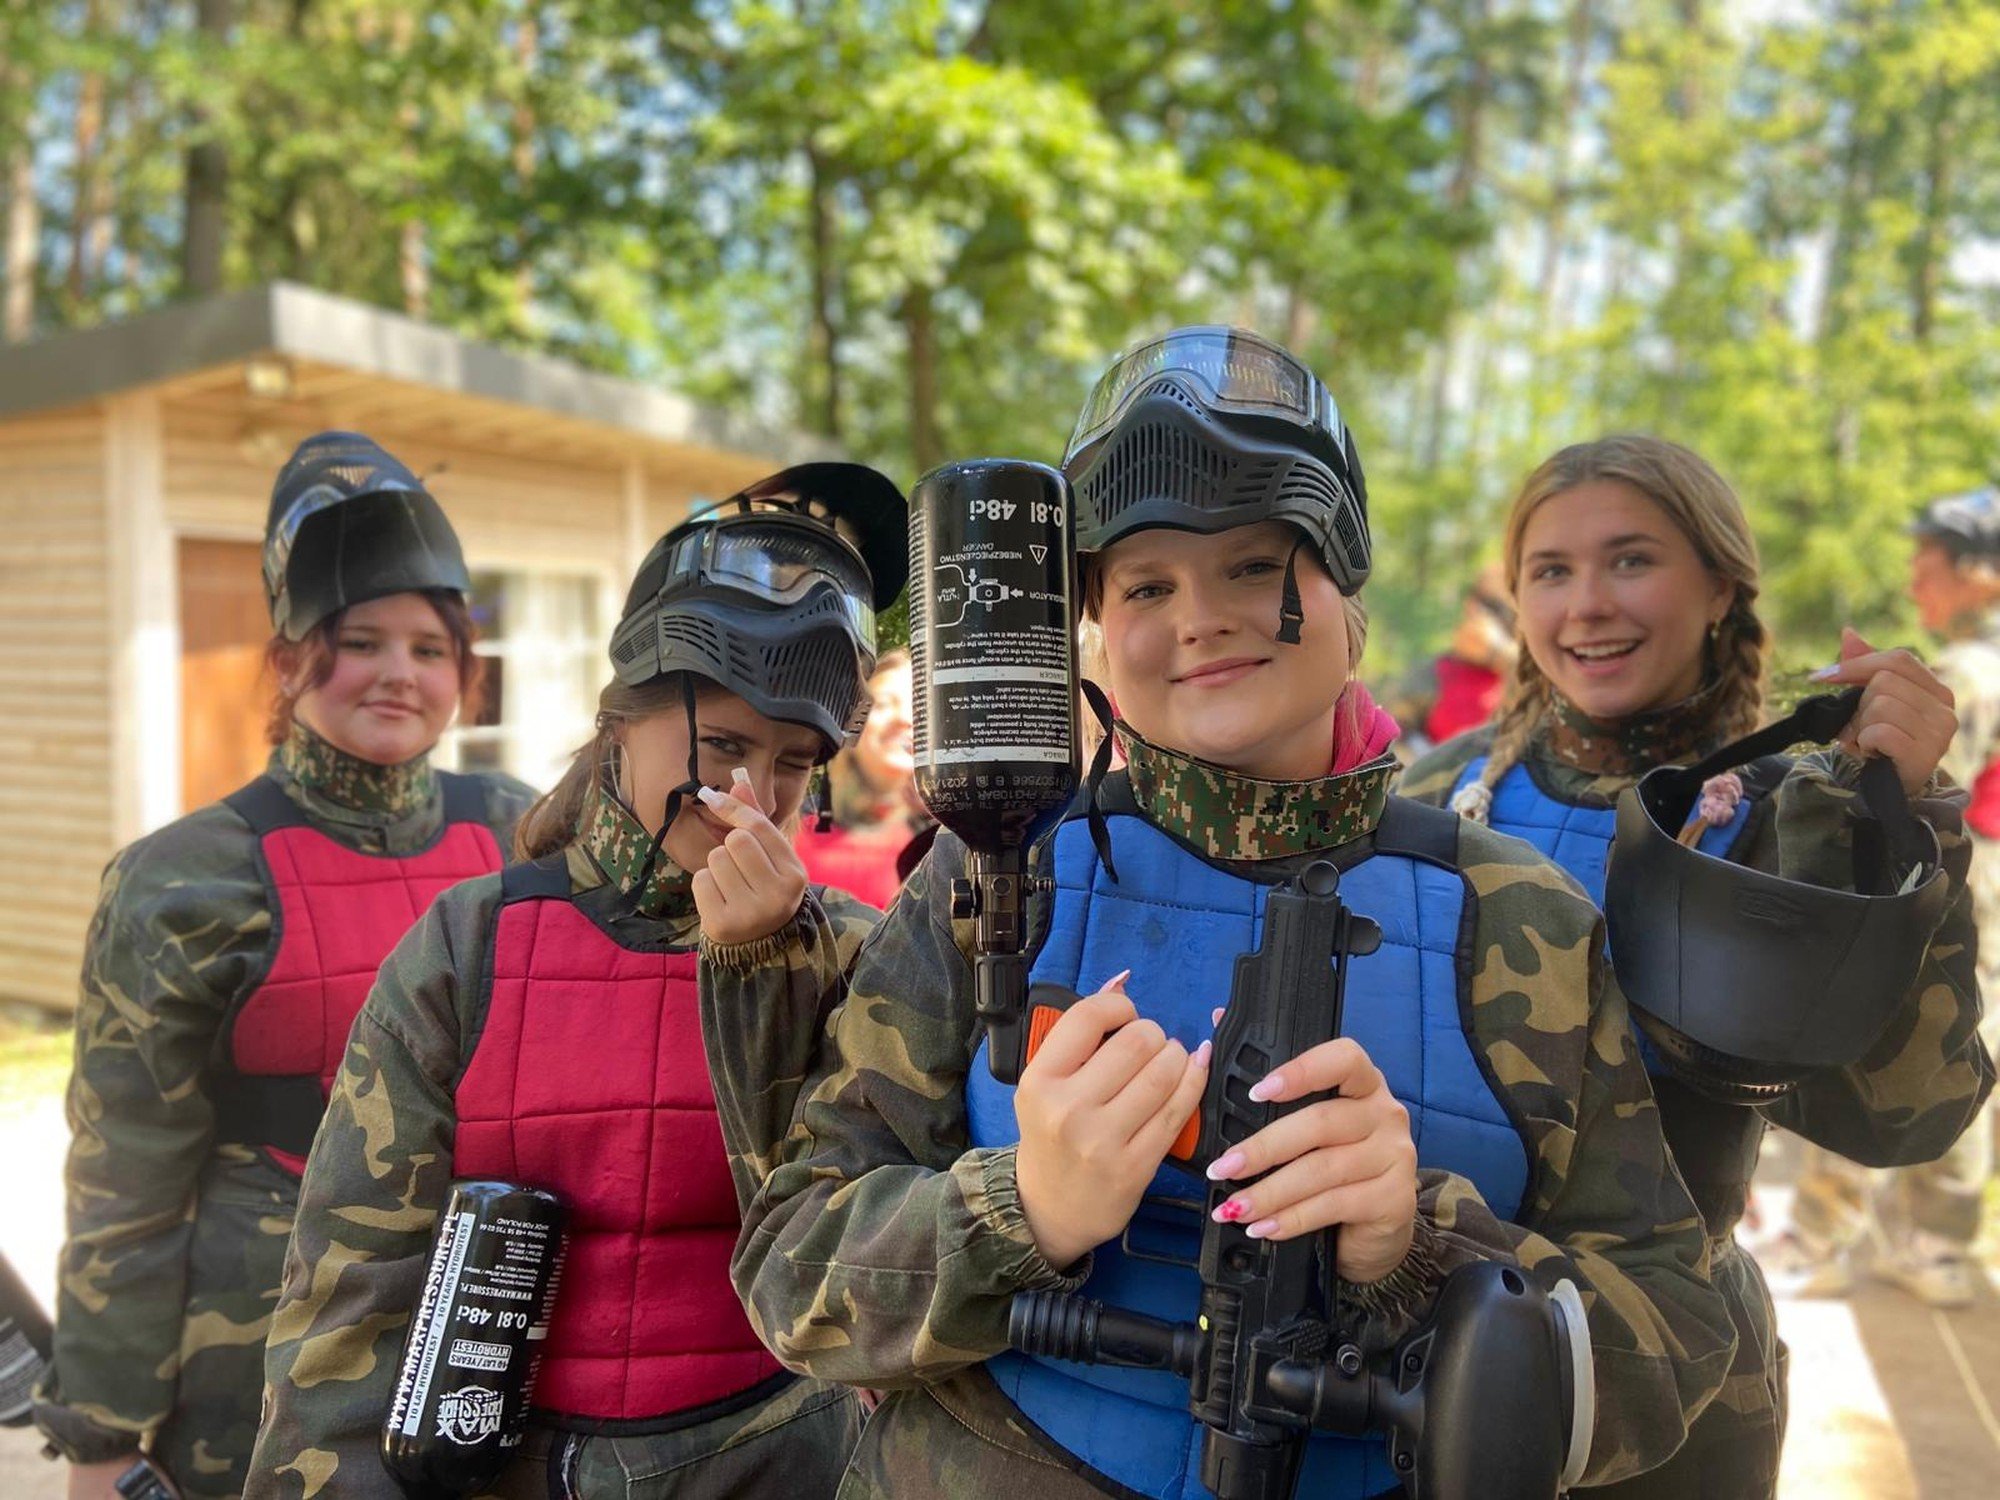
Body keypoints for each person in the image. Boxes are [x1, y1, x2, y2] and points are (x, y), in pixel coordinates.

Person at [730, 329, 1735, 1498]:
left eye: (1255, 565)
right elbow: (791, 1274)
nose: (1201, 617)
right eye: (1147, 585)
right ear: (1097, 626)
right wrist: (1018, 1210)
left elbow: (1675, 1343)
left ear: (1345, 595)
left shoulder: (1518, 920)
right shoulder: (993, 872)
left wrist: (1416, 1251)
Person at [248, 464, 905, 1499]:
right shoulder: (469, 944)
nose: (754, 794)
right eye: (722, 745)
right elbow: (350, 1288)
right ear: (619, 725)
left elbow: (854, 1258)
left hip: (783, 1462)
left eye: (792, 762)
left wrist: (769, 967)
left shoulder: (857, 956)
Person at [1400, 436, 1994, 1499]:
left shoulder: (1795, 816)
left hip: (1674, 1386)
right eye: (1550, 570)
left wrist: (1901, 825)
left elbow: (1905, 1120)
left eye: (1630, 560)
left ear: (1720, 586)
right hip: (1412, 1346)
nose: (1586, 604)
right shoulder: (1437, 794)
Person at [32, 433, 536, 1500]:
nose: (398, 673)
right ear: (288, 660)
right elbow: (125, 1175)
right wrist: (100, 1435)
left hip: (484, 1332)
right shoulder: (181, 878)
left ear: (465, 673)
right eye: (359, 641)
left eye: (430, 647)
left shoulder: (523, 834)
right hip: (257, 1362)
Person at [1776, 483, 2000, 1309]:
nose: (1914, 579)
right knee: (1967, 1037)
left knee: (1889, 1023)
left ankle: (1822, 1236)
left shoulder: (1972, 672)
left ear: (1978, 571)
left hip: (1967, 876)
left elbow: (1922, 795)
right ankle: (1936, 1246)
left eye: (1928, 561)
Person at [794, 647, 929, 909]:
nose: (905, 718)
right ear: (850, 724)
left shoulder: (956, 839)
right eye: (885, 704)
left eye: (921, 708)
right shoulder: (788, 821)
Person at [1381, 560, 1516, 761]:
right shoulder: (1434, 672)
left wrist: (1498, 655)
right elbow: (1392, 732)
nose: (1478, 613)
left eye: (1496, 608)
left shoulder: (1528, 675)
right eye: (1480, 602)